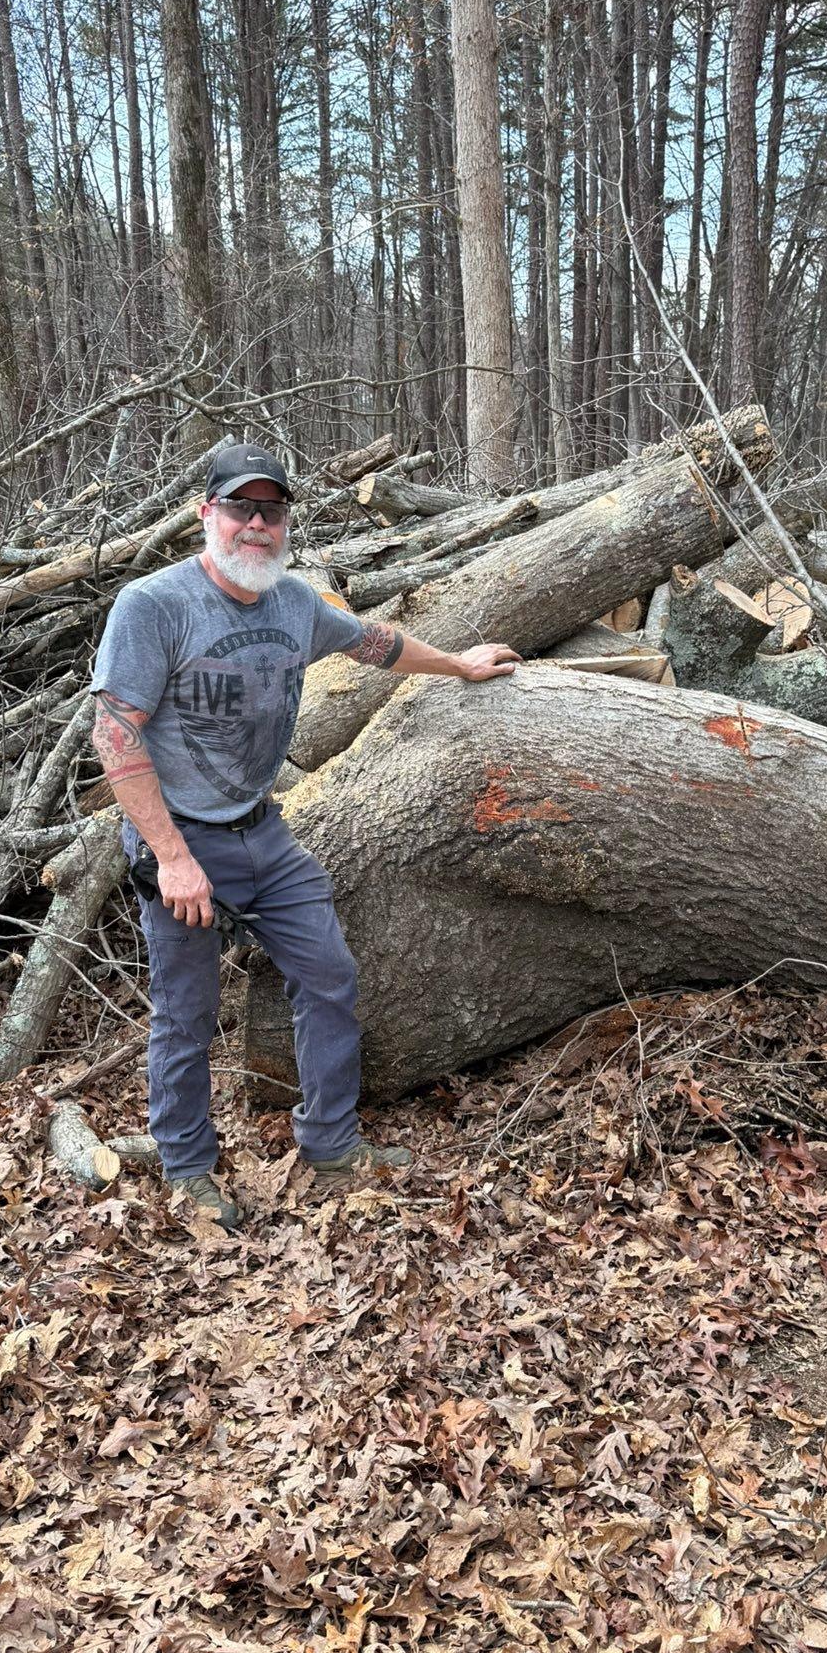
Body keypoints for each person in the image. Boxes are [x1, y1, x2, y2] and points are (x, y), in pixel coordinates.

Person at [90, 440, 520, 1225]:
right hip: (181, 846)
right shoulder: (153, 606)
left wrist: (458, 664)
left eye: (272, 510)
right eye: (240, 508)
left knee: (329, 975)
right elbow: (115, 735)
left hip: (264, 835)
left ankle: (330, 1145)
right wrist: (173, 857)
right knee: (184, 1013)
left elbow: (374, 644)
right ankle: (188, 1169)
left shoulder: (291, 603)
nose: (256, 525)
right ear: (205, 516)